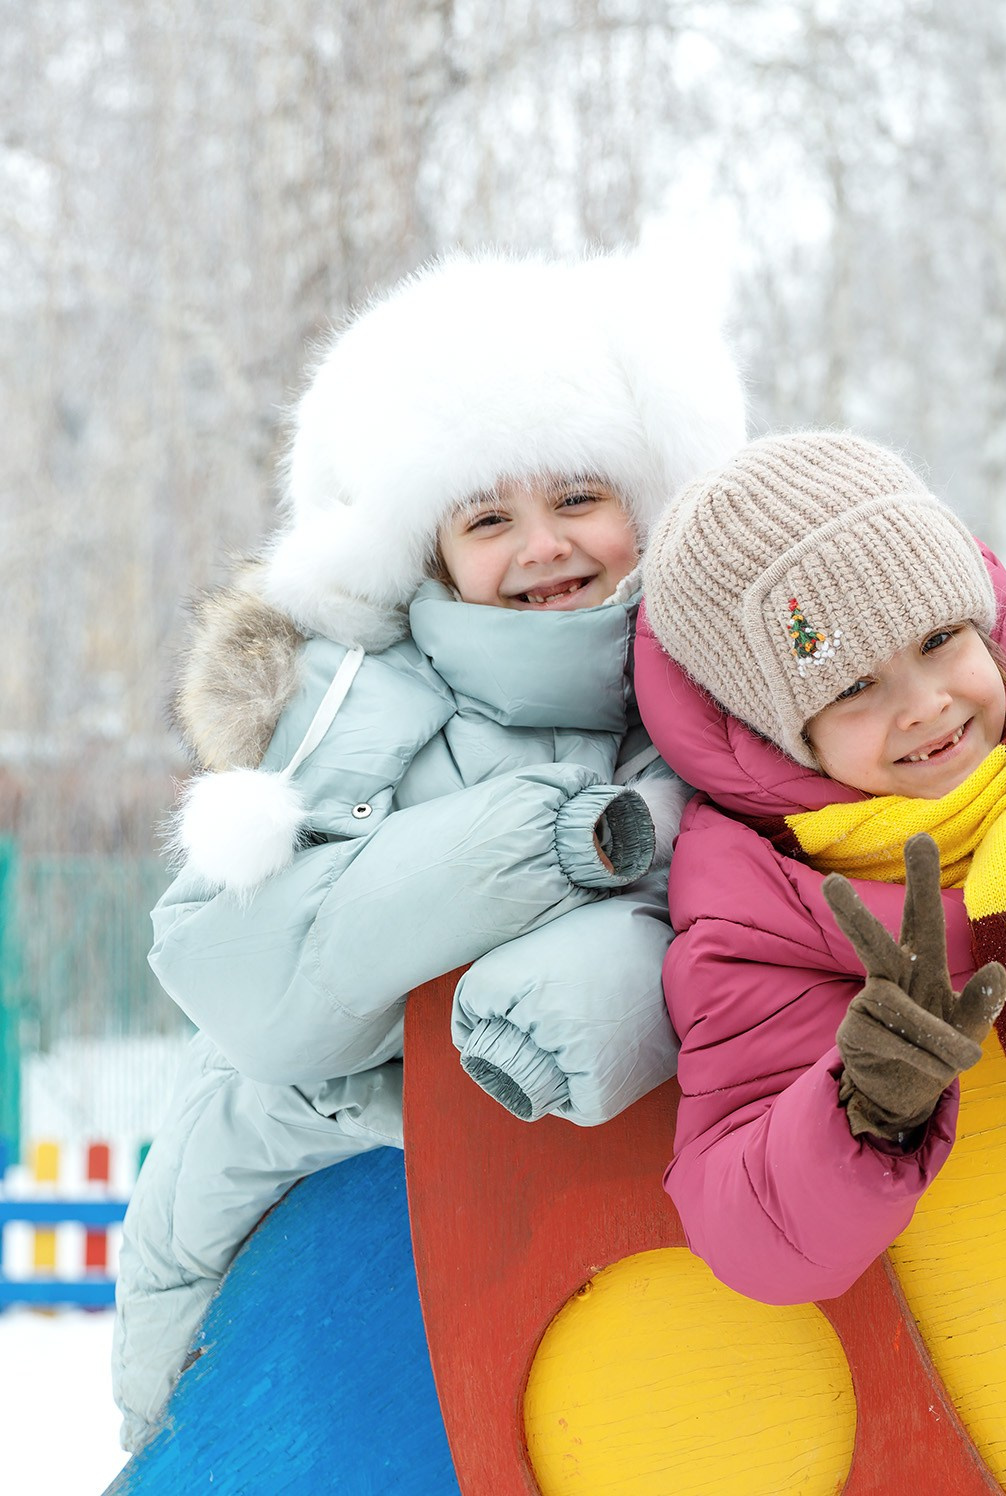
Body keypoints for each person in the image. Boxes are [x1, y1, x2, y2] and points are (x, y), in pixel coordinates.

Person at [115, 254, 743, 1447]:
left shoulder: (706, 704)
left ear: (648, 500)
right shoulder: (362, 698)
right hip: (312, 1203)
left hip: (588, 1253)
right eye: (488, 517)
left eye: (578, 497)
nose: (543, 545)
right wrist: (553, 847)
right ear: (431, 550)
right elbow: (257, 979)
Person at [635, 431, 1006, 1304]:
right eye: (852, 687)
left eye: (939, 637)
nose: (926, 705)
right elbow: (749, 1229)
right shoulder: (757, 902)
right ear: (786, 731)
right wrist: (865, 1108)